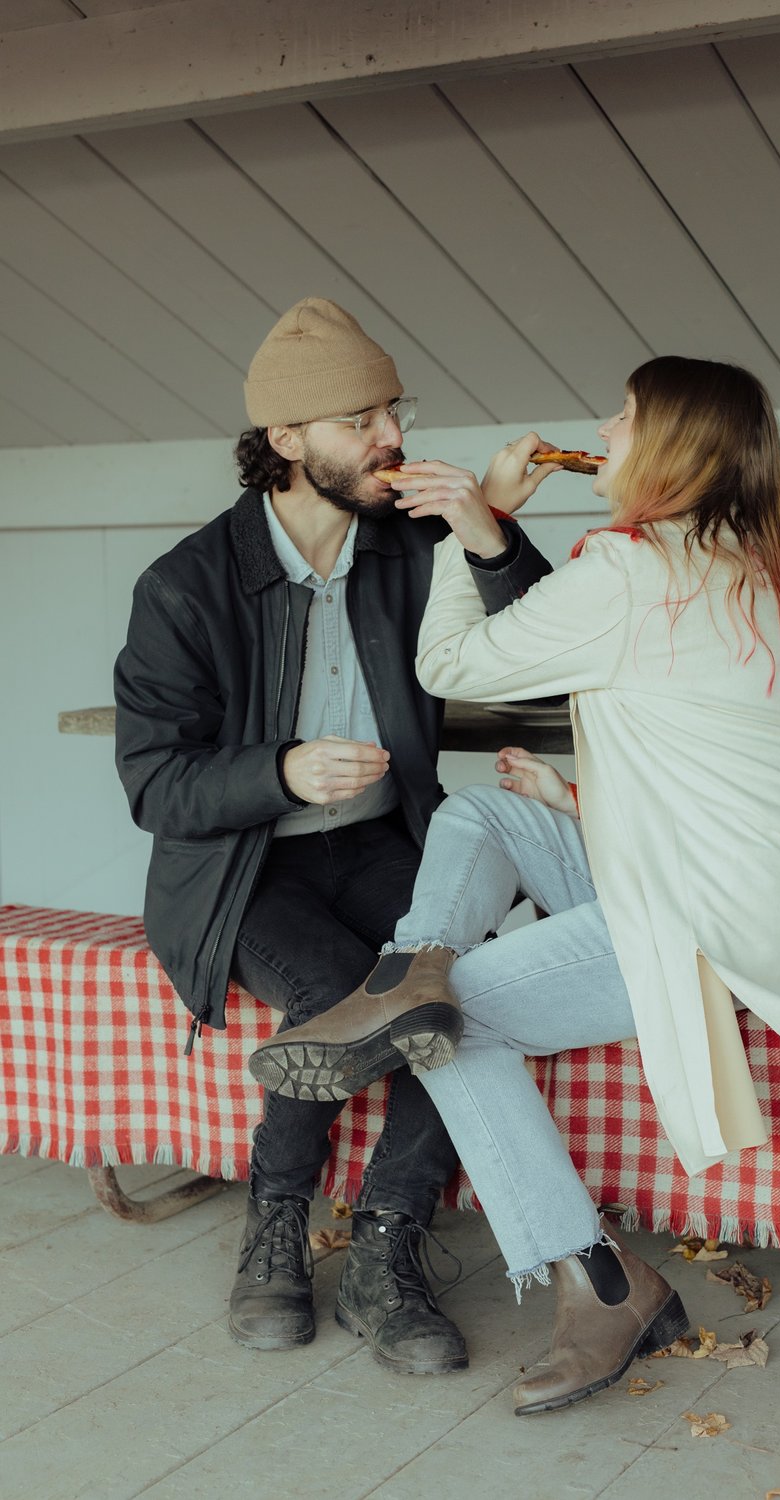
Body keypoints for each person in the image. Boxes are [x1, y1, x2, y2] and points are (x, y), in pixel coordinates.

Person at [249, 354, 780, 1414]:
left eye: (623, 416)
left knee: (456, 1022)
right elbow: (726, 763)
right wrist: (575, 805)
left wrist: (475, 532)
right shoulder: (764, 561)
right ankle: (402, 977)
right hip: (760, 894)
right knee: (480, 814)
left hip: (706, 922)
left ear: (671, 448)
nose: (602, 430)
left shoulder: (631, 569)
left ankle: (603, 1284)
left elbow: (450, 668)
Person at [113, 297, 556, 1370]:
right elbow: (154, 781)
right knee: (337, 993)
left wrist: (485, 530)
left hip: (382, 842)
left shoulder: (411, 546)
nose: (391, 437)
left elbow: (539, 636)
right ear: (284, 440)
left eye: (391, 410)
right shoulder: (185, 586)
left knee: (455, 988)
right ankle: (274, 1227)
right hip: (240, 869)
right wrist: (280, 770)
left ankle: (386, 1247)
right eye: (360, 418)